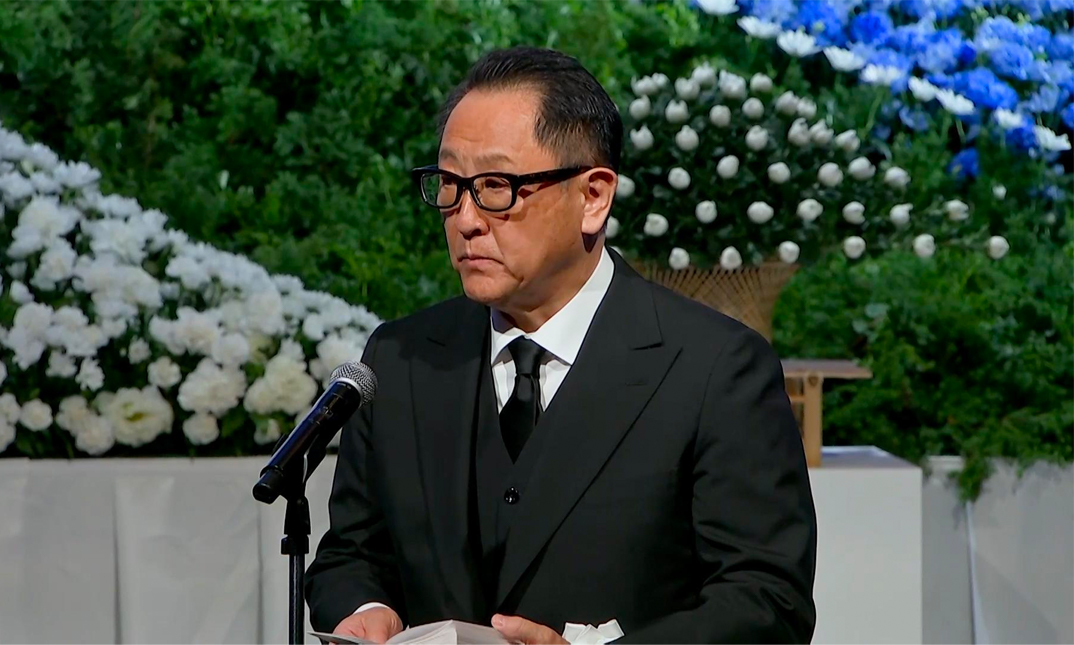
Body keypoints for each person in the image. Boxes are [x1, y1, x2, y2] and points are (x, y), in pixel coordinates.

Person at [305, 46, 817, 644]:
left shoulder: (716, 369)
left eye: (496, 186)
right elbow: (350, 554)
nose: (465, 219)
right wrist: (364, 607)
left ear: (593, 196)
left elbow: (768, 601)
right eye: (450, 185)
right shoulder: (401, 359)